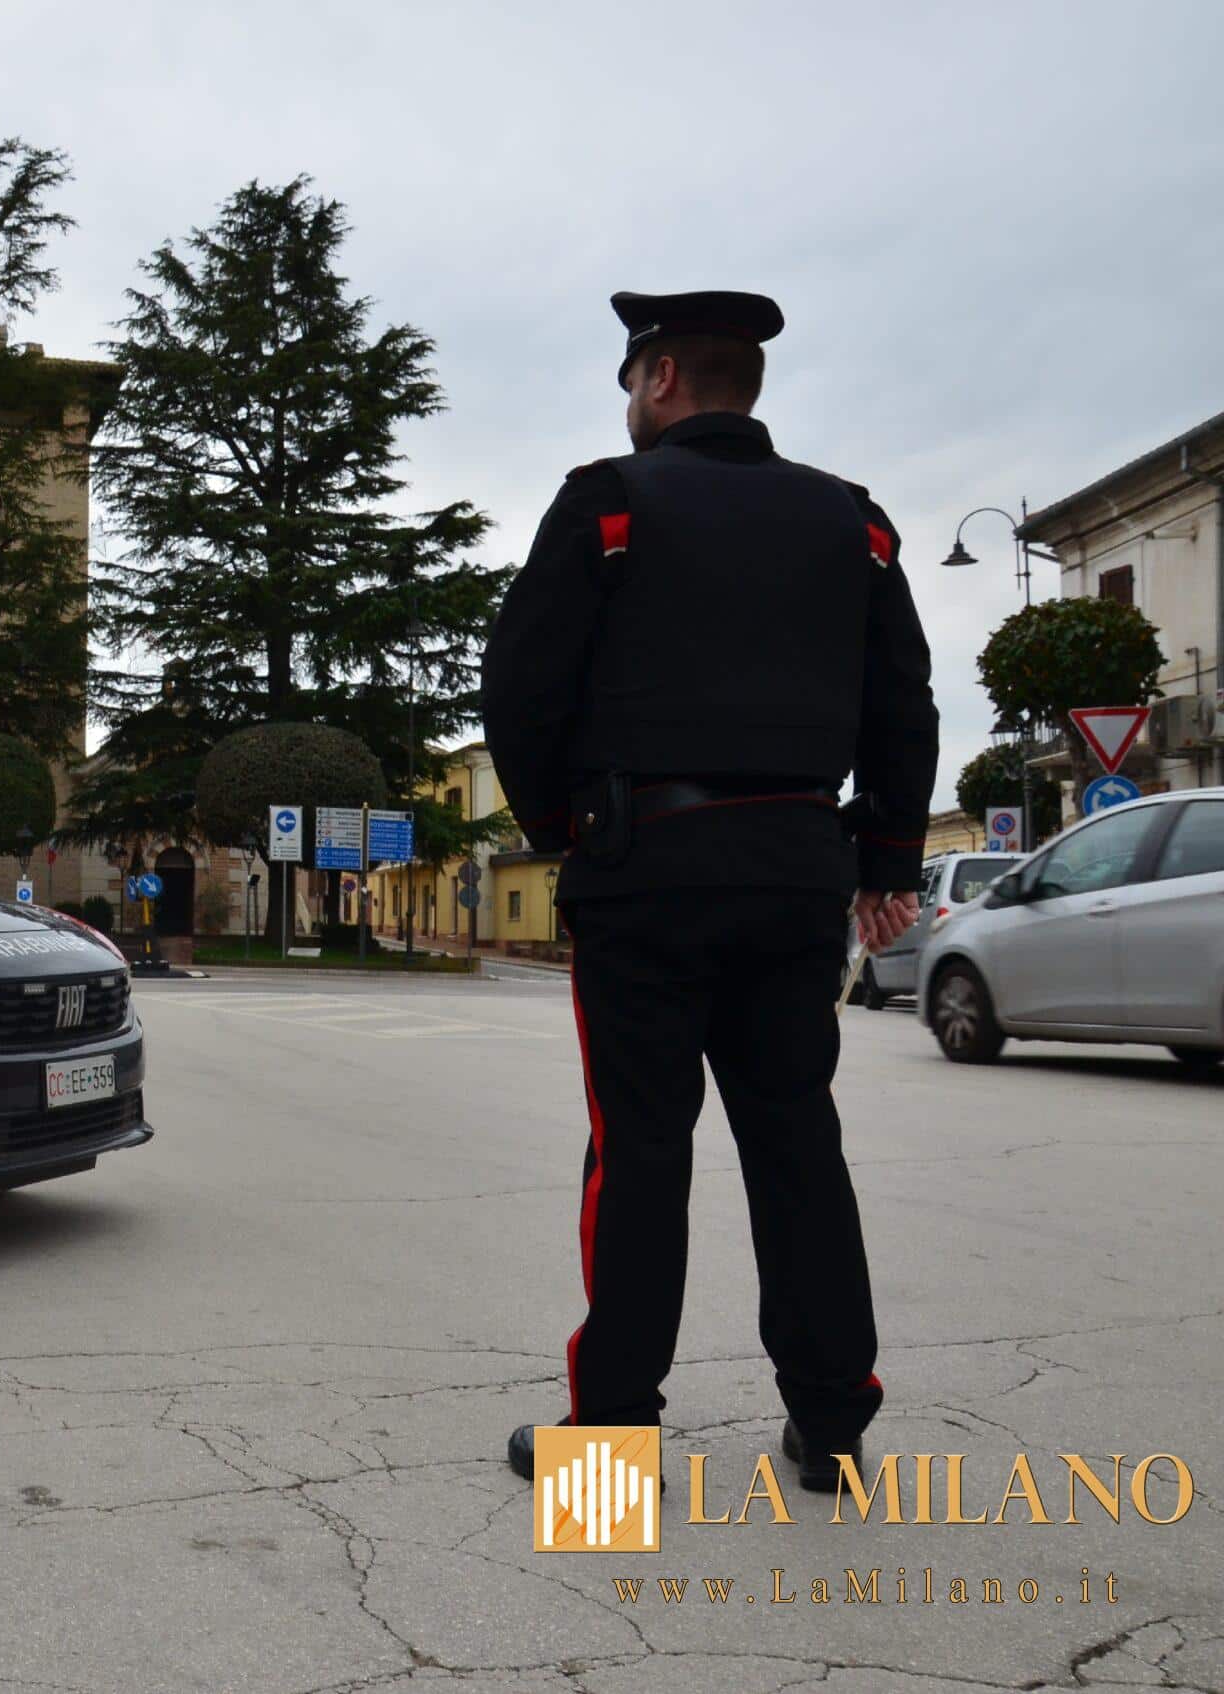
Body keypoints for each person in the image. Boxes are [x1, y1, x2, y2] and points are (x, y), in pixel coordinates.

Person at [481, 291, 937, 1492]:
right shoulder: (853, 519)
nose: (628, 404)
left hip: (646, 875)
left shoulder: (608, 502)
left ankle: (611, 1447)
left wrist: (566, 831)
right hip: (795, 872)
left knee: (639, 1151)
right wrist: (888, 858)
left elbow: (519, 687)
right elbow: (903, 699)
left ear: (665, 376)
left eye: (631, 382)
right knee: (796, 1141)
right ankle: (831, 1426)